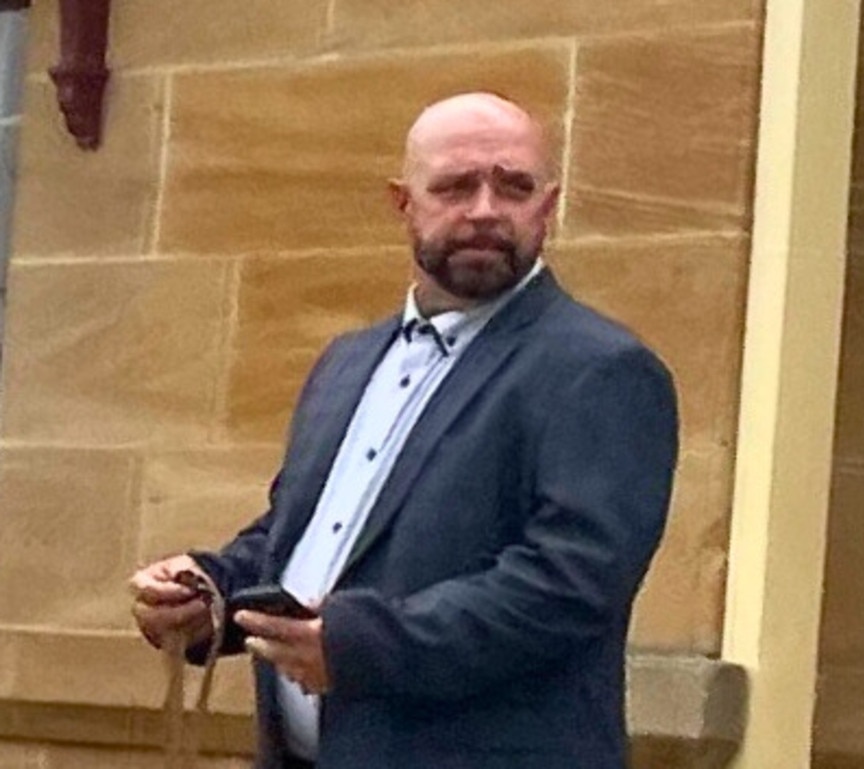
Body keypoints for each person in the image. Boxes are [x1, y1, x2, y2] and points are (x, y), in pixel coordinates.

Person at [130, 92, 679, 769]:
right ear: (402, 202)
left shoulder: (600, 369)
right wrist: (211, 591)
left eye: (514, 187)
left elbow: (570, 580)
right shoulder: (348, 362)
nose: (484, 209)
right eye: (454, 185)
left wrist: (363, 644)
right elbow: (299, 535)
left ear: (549, 203)